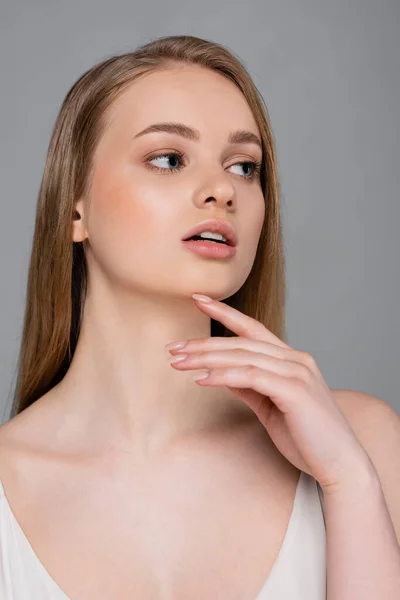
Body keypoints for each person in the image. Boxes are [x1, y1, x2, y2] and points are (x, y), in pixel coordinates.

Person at [0, 34, 399, 600]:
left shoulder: (362, 444)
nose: (221, 191)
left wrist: (349, 484)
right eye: (167, 159)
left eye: (244, 167)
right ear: (75, 207)